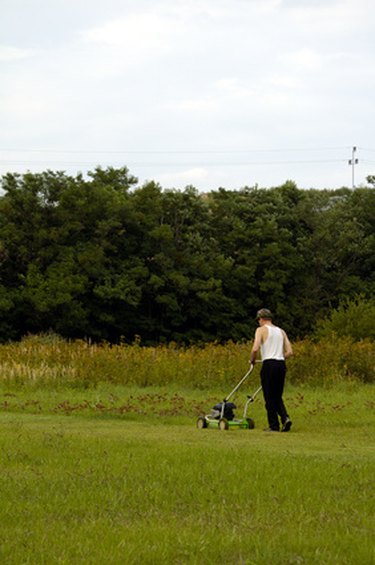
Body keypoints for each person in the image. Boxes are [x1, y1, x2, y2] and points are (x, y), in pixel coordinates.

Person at [250, 308, 293, 432]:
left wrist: (252, 360)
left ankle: (273, 425)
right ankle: (285, 418)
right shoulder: (281, 331)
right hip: (281, 364)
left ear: (261, 319)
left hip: (269, 364)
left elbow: (255, 348)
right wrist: (279, 355)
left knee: (269, 395)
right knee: (277, 395)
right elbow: (290, 352)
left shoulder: (260, 330)